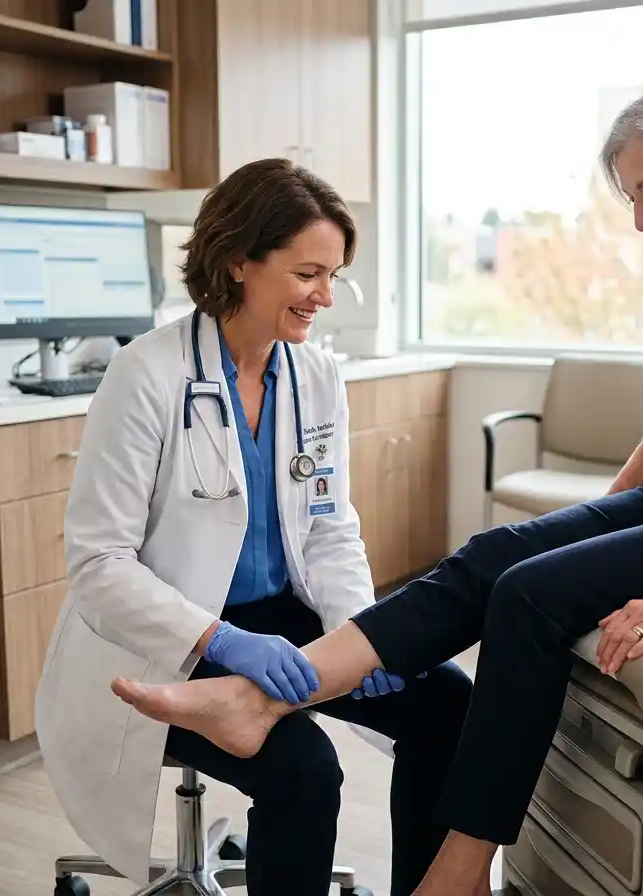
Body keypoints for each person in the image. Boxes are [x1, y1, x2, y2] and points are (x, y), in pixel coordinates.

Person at [109, 71, 643, 896]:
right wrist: (597, 527)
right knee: (498, 552)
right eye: (631, 196)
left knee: (532, 593)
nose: (640, 218)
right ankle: (260, 704)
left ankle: (461, 867)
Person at [34, 158, 473, 896]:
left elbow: (331, 527)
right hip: (167, 642)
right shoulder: (146, 375)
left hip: (282, 621)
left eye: (333, 276)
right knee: (304, 769)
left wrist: (360, 628)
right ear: (238, 260)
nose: (325, 297)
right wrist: (223, 641)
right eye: (308, 274)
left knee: (447, 703)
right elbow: (98, 565)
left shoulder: (316, 376)